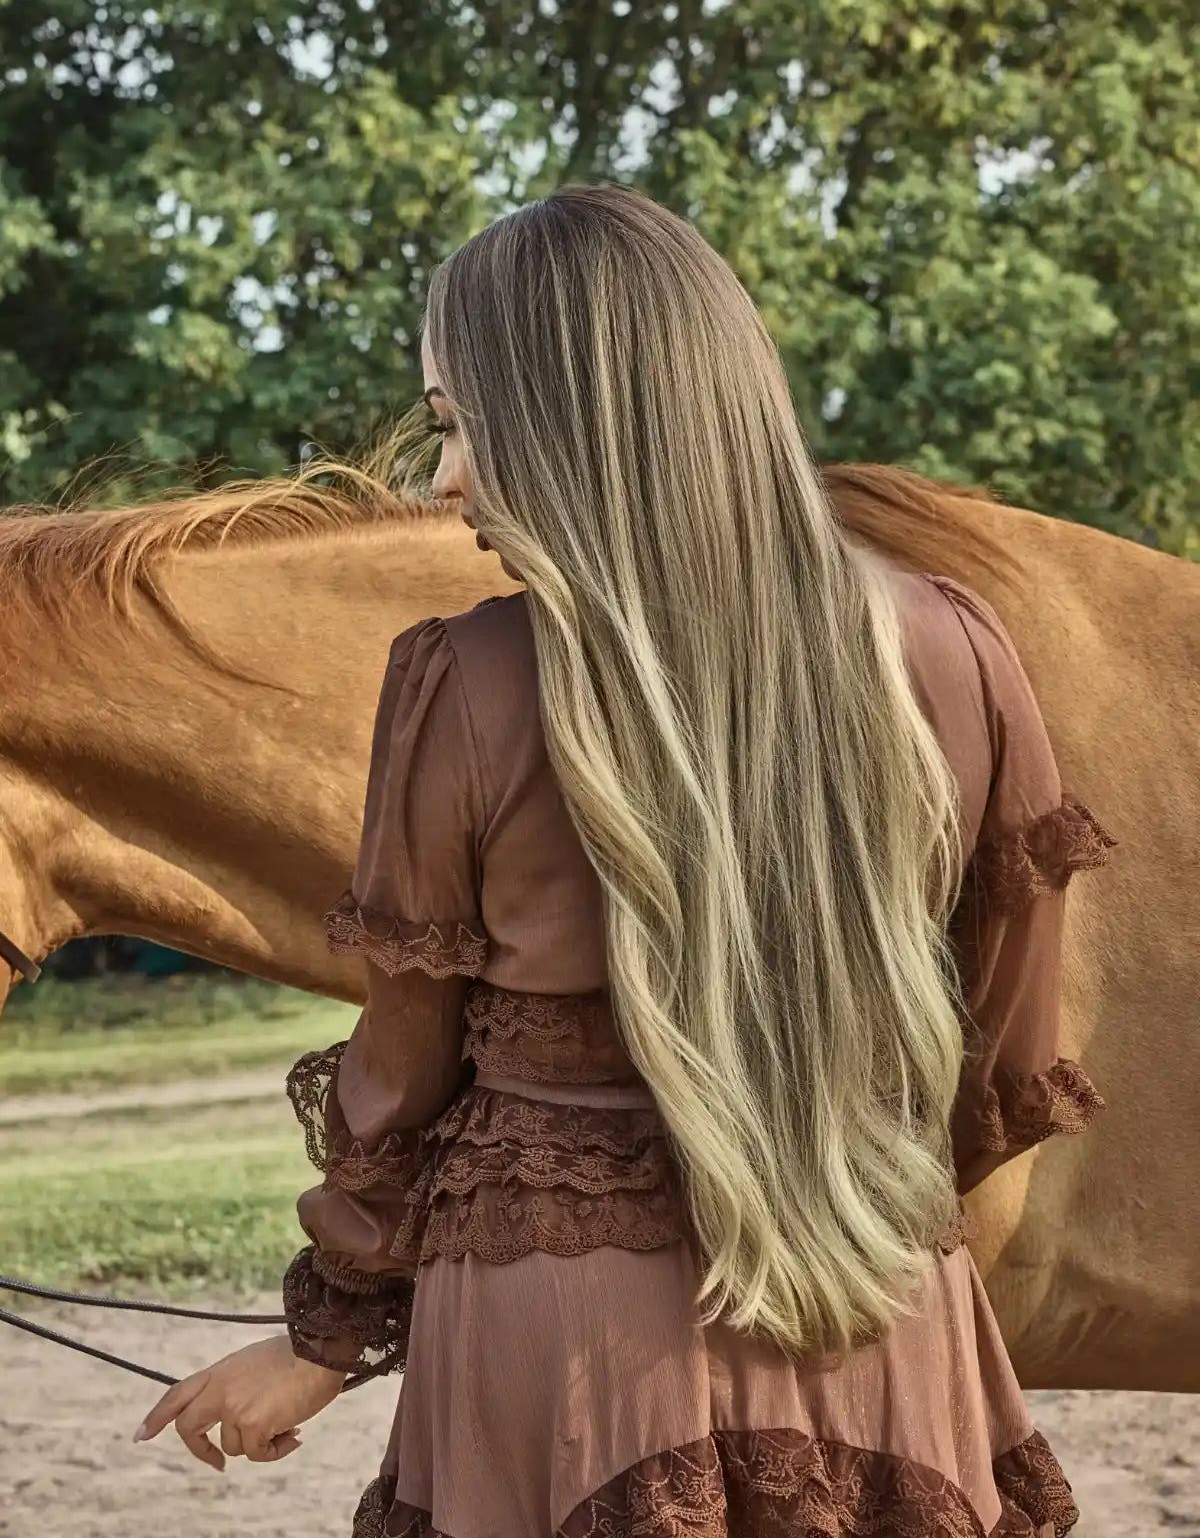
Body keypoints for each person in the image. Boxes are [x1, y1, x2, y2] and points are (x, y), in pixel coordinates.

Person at [135, 185, 1113, 1536]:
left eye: (460, 424)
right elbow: (1004, 1048)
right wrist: (830, 1187)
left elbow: (406, 1063)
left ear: (570, 424)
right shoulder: (959, 647)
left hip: (572, 1347)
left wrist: (327, 1333)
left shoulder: (469, 683)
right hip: (871, 1302)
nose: (444, 482)